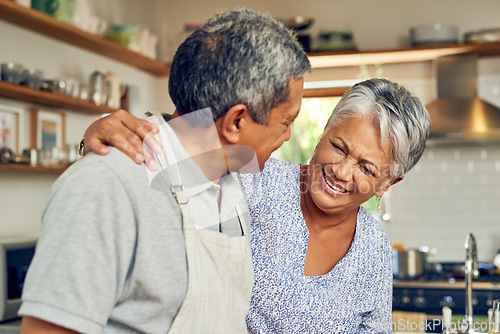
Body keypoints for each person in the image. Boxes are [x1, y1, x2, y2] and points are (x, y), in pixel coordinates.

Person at [19, 8, 311, 334]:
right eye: (286, 122)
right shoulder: (107, 186)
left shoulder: (235, 180)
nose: (287, 136)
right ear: (236, 121)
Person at [82, 78, 431, 332]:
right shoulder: (253, 178)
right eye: (339, 147)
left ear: (387, 184)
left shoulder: (374, 249)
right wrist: (99, 137)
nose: (340, 171)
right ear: (324, 131)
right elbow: (173, 150)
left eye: (366, 168)